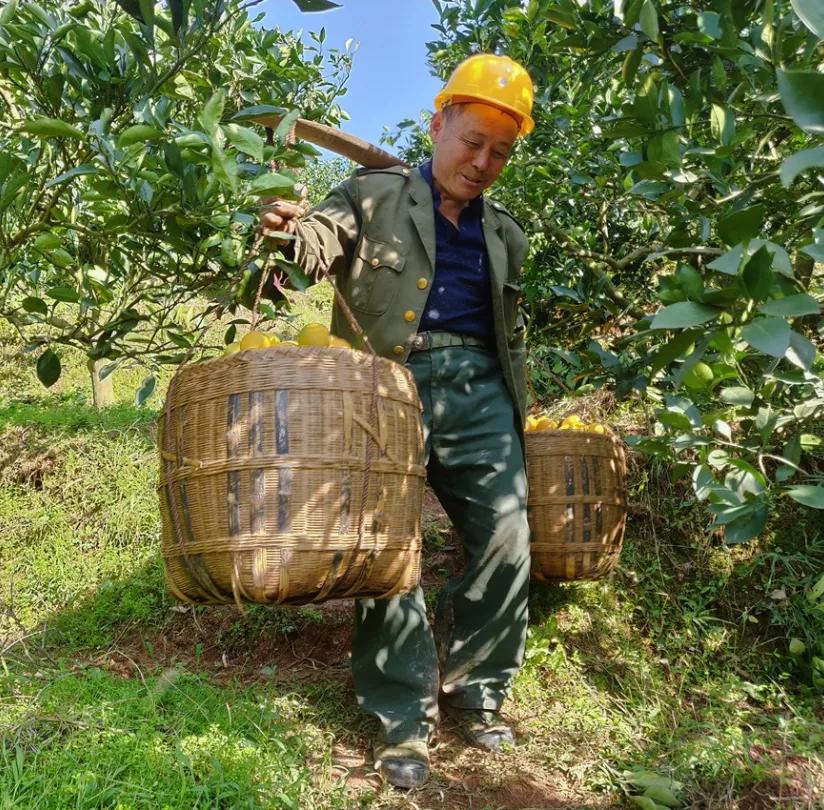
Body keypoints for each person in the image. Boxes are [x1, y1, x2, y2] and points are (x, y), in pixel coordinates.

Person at [260, 54, 535, 789]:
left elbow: (508, 333)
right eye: (471, 140)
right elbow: (313, 248)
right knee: (391, 553)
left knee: (508, 541)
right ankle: (402, 718)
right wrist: (288, 230)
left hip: (480, 391)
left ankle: (477, 690)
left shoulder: (505, 234)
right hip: (386, 389)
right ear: (438, 123)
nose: (482, 162)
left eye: (499, 152)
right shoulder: (371, 194)